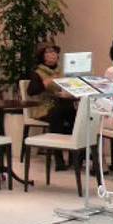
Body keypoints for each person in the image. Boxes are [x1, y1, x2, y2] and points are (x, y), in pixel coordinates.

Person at [27, 42, 76, 171]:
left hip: (63, 104)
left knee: (75, 115)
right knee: (57, 114)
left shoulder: (62, 71)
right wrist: (45, 83)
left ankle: (75, 157)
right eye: (48, 52)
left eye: (54, 52)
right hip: (45, 107)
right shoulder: (38, 72)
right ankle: (59, 159)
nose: (53, 54)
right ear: (42, 56)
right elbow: (31, 91)